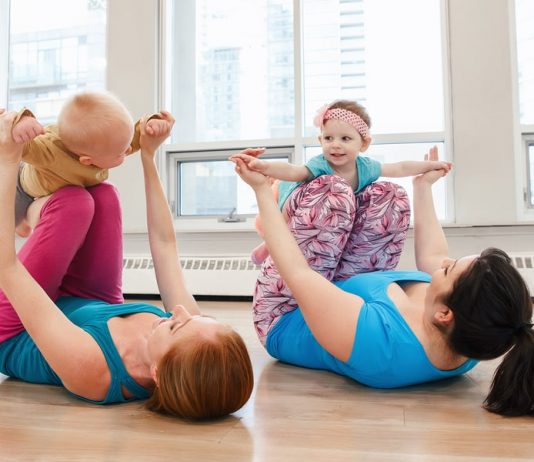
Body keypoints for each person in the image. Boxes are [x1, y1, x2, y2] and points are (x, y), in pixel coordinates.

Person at [231, 145, 534, 417]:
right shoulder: (475, 335)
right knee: (389, 198)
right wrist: (422, 186)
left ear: (445, 314)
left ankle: (285, 194)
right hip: (343, 285)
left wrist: (260, 192)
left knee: (331, 194)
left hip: (288, 311)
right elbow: (433, 255)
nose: (443, 264)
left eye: (449, 268)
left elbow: (297, 273)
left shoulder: (380, 344)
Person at [0, 109, 253, 420]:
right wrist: (148, 154)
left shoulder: (92, 370)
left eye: (174, 325)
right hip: (87, 304)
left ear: (157, 373)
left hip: (15, 327)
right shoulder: (189, 341)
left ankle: (29, 212)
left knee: (72, 204)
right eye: (195, 318)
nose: (180, 311)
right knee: (104, 196)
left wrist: (8, 160)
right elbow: (164, 242)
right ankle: (35, 212)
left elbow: (7, 267)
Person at [231, 100, 451, 264]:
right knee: (285, 226)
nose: (335, 145)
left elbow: (399, 168)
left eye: (345, 139)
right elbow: (292, 171)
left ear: (363, 144)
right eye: (328, 138)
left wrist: (429, 167)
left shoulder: (365, 168)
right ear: (321, 140)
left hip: (331, 218)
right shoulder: (320, 165)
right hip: (297, 205)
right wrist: (263, 166)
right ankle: (268, 246)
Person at [5, 91, 163, 237]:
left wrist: (149, 125)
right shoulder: (51, 150)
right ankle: (21, 222)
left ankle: (24, 223)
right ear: (87, 160)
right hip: (22, 187)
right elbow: (21, 148)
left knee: (24, 225)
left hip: (54, 187)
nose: (129, 149)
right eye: (121, 153)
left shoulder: (106, 145)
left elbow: (130, 140)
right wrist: (22, 122)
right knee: (7, 224)